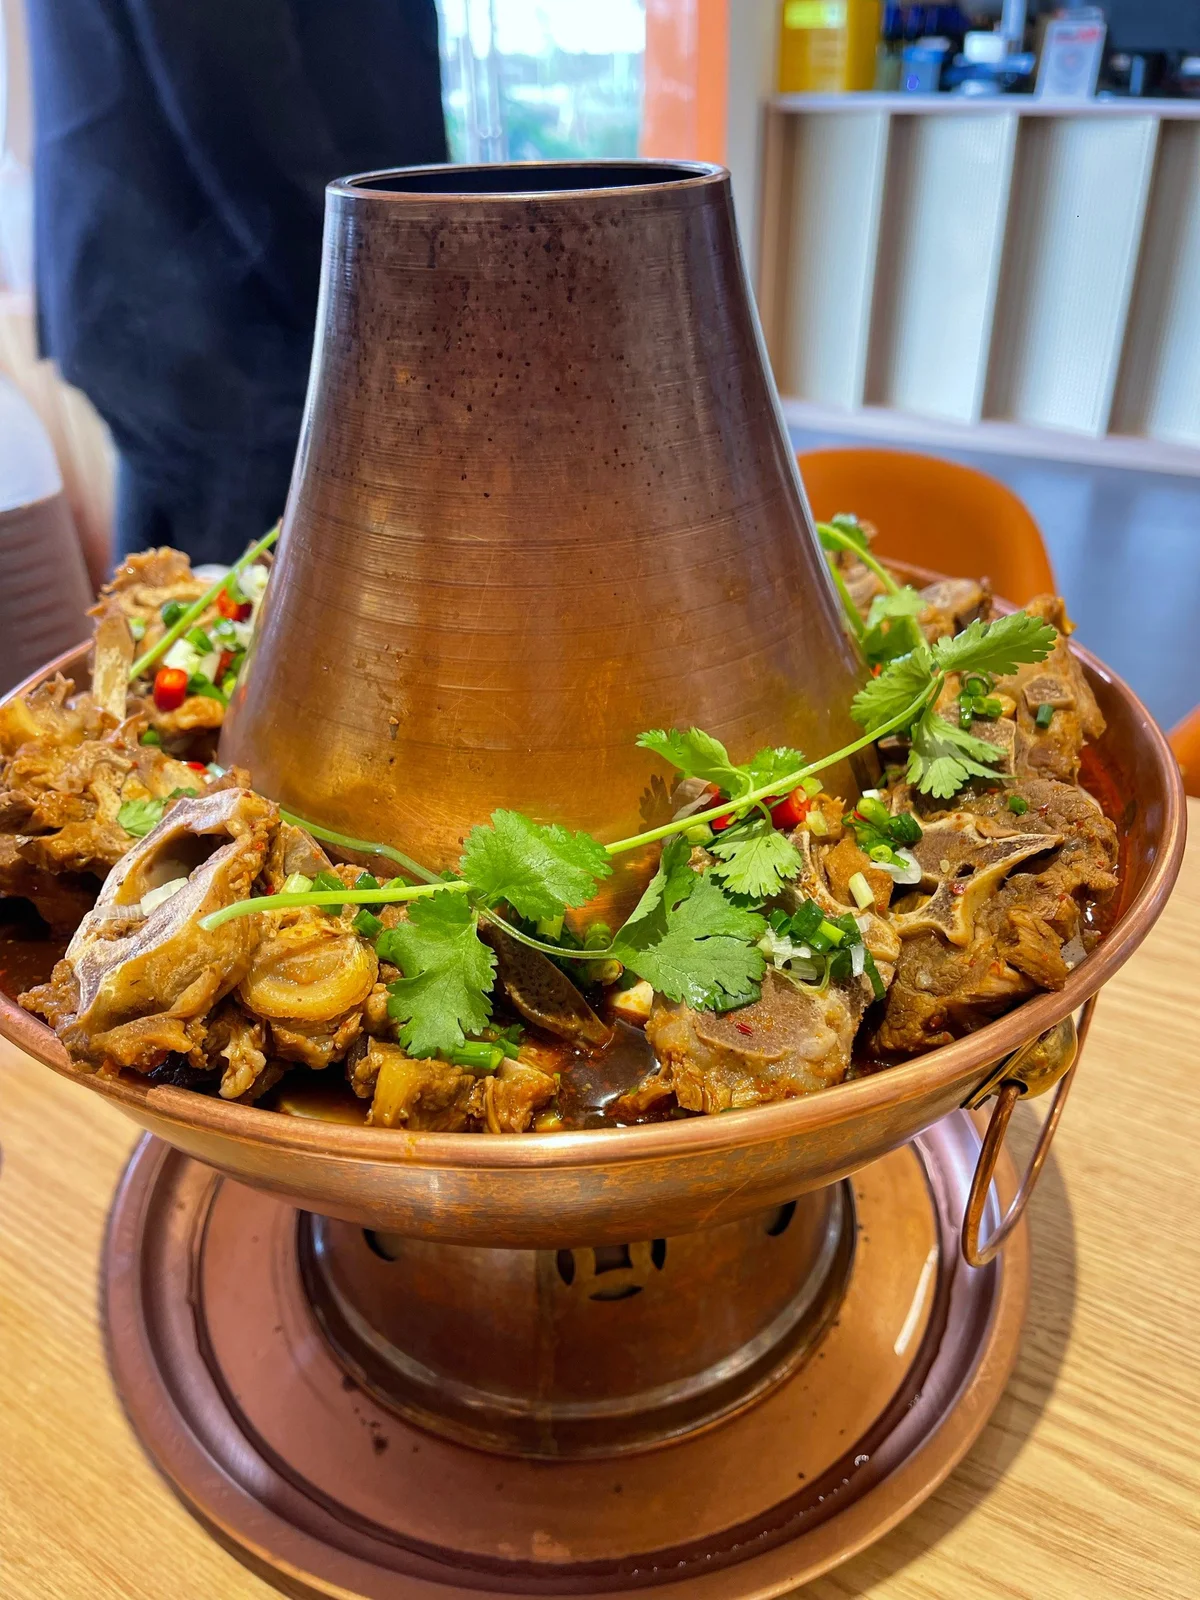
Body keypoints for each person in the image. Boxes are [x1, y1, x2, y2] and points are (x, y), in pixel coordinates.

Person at [25, 0, 447, 568]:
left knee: (183, 594)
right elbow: (231, 76)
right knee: (242, 612)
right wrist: (373, 286)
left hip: (190, 278)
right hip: (240, 300)